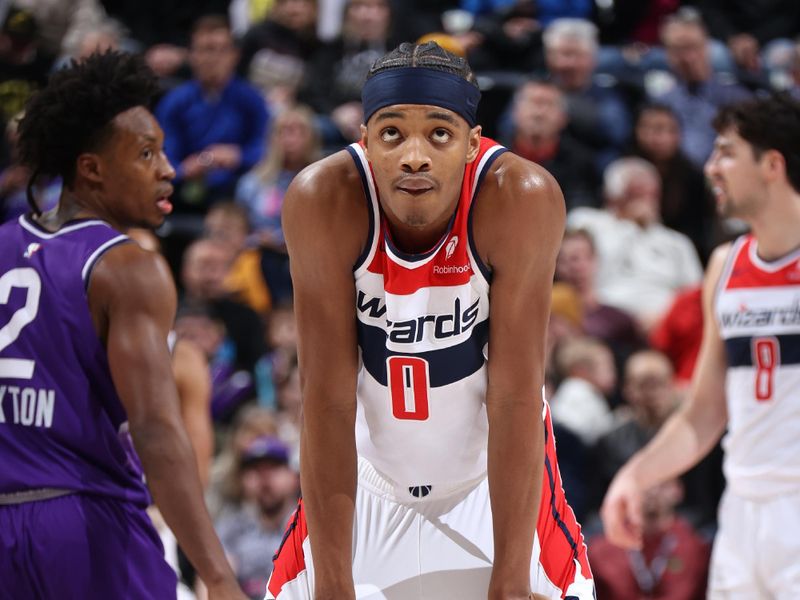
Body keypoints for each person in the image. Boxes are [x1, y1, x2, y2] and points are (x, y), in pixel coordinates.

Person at [269, 41, 594, 600]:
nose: (413, 155)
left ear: (471, 145)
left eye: (439, 133)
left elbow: (516, 396)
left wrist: (510, 582)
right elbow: (325, 400)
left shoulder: (519, 196)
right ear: (366, 141)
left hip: (489, 484)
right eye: (392, 133)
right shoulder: (322, 198)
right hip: (367, 482)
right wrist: (333, 584)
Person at [0, 51, 245, 599]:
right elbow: (156, 430)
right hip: (84, 520)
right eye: (146, 153)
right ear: (92, 169)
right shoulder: (128, 267)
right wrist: (219, 577)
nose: (168, 168)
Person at [601, 94, 800, 597]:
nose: (711, 167)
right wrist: (636, 475)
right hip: (743, 511)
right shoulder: (725, 267)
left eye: (727, 152)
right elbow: (704, 411)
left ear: (772, 164)